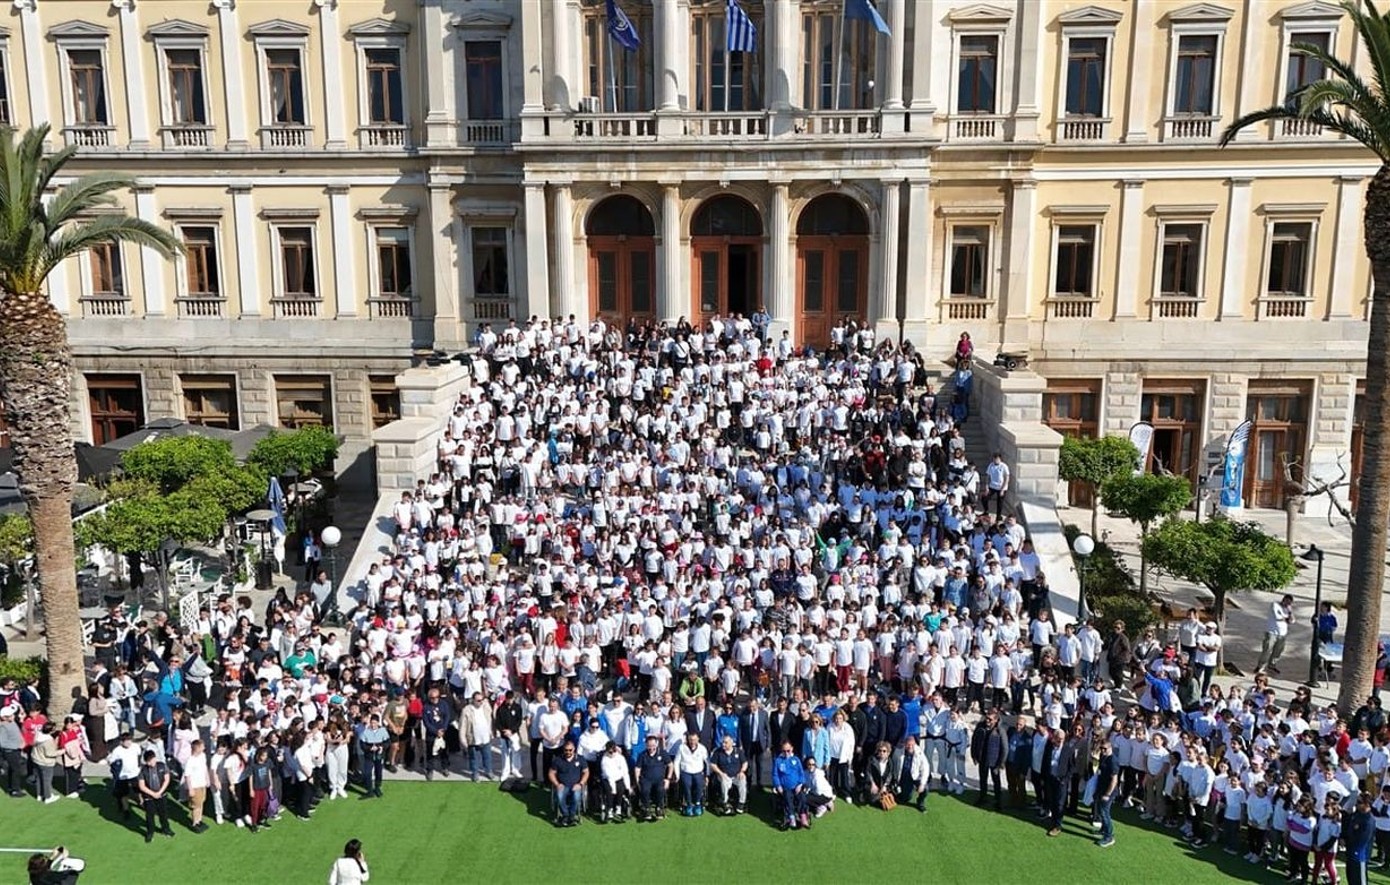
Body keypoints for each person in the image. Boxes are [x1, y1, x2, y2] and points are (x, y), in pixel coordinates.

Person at [970, 710, 1007, 809]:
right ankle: (982, 797)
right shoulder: (980, 726)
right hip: (982, 759)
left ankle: (998, 800)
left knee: (996, 781)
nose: (987, 720)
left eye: (990, 719)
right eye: (986, 718)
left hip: (994, 761)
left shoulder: (1000, 730)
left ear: (995, 720)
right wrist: (974, 755)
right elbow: (974, 740)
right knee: (983, 780)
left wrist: (1001, 763)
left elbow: (1004, 748)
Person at [137, 750, 174, 843]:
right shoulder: (143, 770)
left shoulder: (162, 765)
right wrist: (153, 794)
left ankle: (166, 829)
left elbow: (167, 779)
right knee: (150, 816)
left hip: (162, 795)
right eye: (149, 761)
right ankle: (150, 833)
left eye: (152, 759)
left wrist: (160, 792)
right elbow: (142, 786)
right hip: (149, 798)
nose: (151, 762)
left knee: (163, 813)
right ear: (145, 761)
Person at [548, 740, 587, 827]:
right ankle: (565, 815)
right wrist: (557, 784)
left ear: (574, 749)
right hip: (563, 785)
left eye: (570, 750)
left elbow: (586, 772)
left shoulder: (580, 759)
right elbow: (551, 773)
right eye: (566, 750)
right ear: (563, 750)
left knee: (576, 797)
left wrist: (580, 784)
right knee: (559, 796)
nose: (568, 752)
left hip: (576, 786)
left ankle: (572, 816)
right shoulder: (558, 760)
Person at [634, 735, 673, 821]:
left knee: (660, 789)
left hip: (659, 779)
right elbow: (637, 768)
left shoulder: (662, 753)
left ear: (657, 744)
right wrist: (637, 780)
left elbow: (670, 765)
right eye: (649, 746)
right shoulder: (642, 755)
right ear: (646, 745)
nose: (651, 748)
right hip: (646, 779)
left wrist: (668, 779)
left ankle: (659, 808)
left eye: (653, 745)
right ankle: (646, 809)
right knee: (645, 790)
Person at [1255, 594, 1295, 675]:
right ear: (1283, 599)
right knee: (1267, 650)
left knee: (1278, 651)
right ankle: (1260, 666)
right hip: (1272, 632)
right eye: (1286, 602)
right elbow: (1278, 617)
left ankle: (1272, 665)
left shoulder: (1288, 609)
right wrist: (1287, 619)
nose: (1287, 604)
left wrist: (1290, 613)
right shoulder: (1275, 605)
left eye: (1289, 603)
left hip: (1282, 634)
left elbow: (1292, 621)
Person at [772, 741, 808, 830]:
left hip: (797, 786)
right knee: (788, 799)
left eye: (788, 751)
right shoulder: (778, 761)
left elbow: (801, 774)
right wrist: (778, 785)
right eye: (784, 751)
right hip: (785, 787)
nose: (786, 753)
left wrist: (800, 784)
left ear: (792, 749)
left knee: (802, 798)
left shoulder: (796, 760)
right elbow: (775, 775)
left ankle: (802, 815)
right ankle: (791, 817)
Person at [710, 734, 747, 815]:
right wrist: (720, 773)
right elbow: (713, 764)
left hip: (736, 775)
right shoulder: (718, 752)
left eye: (725, 743)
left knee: (743, 780)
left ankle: (741, 803)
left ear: (731, 743)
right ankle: (725, 801)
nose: (723, 744)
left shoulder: (738, 751)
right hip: (724, 775)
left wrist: (742, 771)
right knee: (724, 780)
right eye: (723, 742)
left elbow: (745, 763)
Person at [675, 731, 709, 816]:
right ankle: (689, 804)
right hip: (686, 772)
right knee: (687, 785)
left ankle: (697, 804)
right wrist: (677, 775)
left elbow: (707, 762)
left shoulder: (702, 748)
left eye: (694, 740)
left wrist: (707, 775)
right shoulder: (681, 748)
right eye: (690, 740)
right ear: (688, 739)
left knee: (699, 784)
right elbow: (676, 762)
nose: (692, 742)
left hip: (698, 772)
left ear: (698, 739)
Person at [1093, 737, 1119, 848]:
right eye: (1101, 748)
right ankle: (1104, 830)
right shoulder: (1103, 756)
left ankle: (1109, 836)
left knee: (1105, 813)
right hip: (1101, 788)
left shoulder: (1113, 760)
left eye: (1104, 748)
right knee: (1100, 810)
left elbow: (1114, 780)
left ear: (1110, 747)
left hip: (1108, 791)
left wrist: (1107, 794)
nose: (1102, 751)